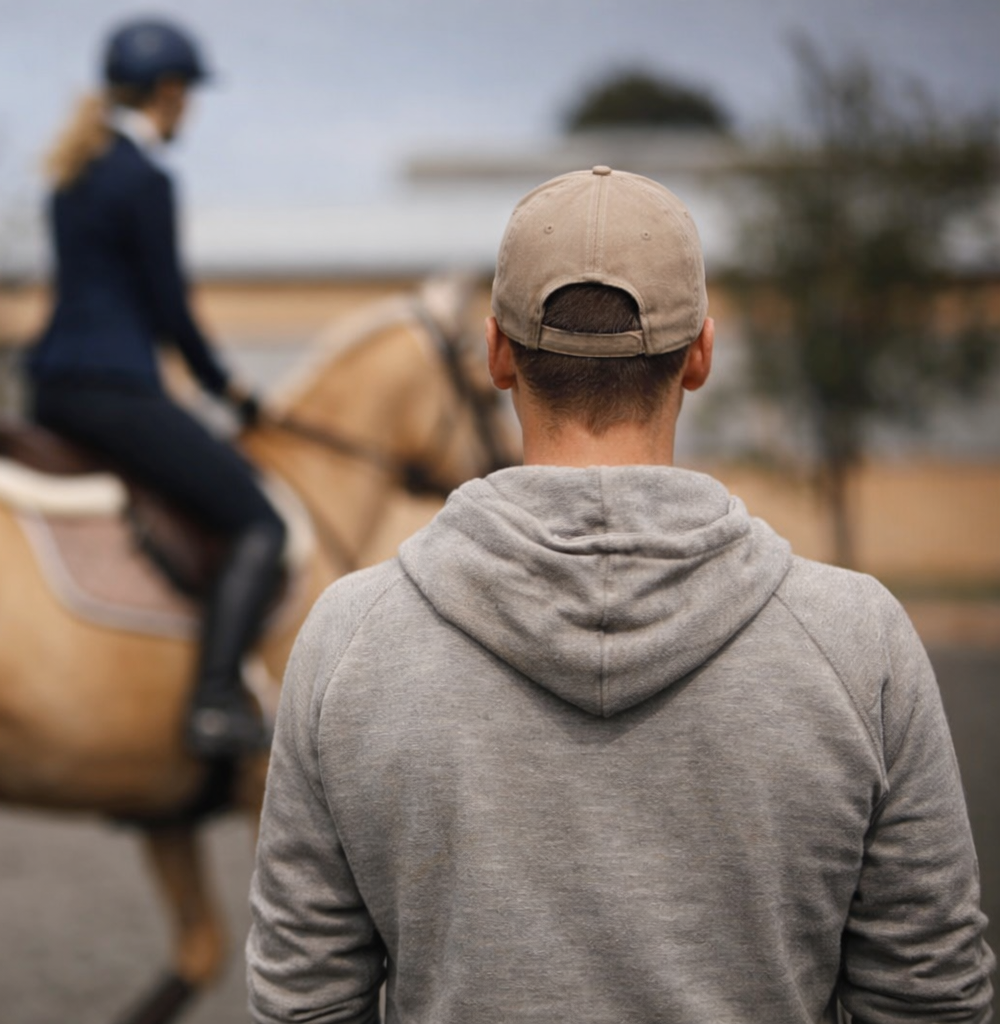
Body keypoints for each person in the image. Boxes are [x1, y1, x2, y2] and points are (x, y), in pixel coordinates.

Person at [247, 166, 994, 1022]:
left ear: (495, 353)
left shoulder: (346, 640)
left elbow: (302, 999)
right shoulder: (863, 643)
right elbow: (932, 996)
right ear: (702, 355)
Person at [26, 17, 283, 758]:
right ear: (169, 93)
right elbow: (169, 308)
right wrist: (228, 389)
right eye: (189, 95)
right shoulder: (146, 180)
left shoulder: (74, 171)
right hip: (111, 387)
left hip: (54, 386)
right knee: (258, 522)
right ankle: (211, 703)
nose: (191, 110)